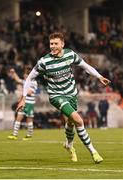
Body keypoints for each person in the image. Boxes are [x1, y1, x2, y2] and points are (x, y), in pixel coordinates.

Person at [17, 32, 110, 163]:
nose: (53, 46)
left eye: (55, 44)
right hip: (56, 96)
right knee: (79, 120)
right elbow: (29, 78)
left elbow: (85, 66)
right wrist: (23, 98)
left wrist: (99, 76)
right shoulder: (44, 61)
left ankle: (69, 145)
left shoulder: (70, 54)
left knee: (71, 122)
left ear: (62, 44)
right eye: (51, 44)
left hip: (71, 93)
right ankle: (93, 152)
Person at [8, 68, 38, 140]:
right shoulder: (26, 82)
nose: (24, 75)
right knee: (18, 117)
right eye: (24, 74)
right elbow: (18, 80)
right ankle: (14, 135)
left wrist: (22, 91)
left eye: (26, 74)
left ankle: (29, 135)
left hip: (30, 103)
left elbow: (30, 92)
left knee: (29, 119)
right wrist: (13, 72)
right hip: (24, 103)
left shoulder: (34, 82)